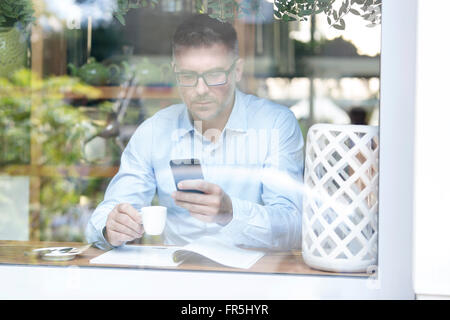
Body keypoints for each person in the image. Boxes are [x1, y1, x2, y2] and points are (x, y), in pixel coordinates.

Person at [85, 14, 304, 251]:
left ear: (237, 71)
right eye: (188, 77)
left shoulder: (275, 124)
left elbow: (294, 228)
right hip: (179, 276)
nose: (201, 90)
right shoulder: (154, 131)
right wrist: (111, 227)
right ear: (174, 72)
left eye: (214, 75)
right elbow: (105, 216)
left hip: (256, 277)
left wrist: (231, 212)